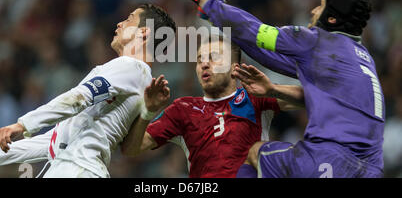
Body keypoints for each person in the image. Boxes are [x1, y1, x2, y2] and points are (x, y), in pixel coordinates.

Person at [175, 0, 384, 178]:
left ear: (331, 19)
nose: (313, 11)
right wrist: (273, 89)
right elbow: (272, 58)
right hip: (370, 170)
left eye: (320, 6)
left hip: (327, 157)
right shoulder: (359, 59)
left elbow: (254, 30)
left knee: (255, 153)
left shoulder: (317, 41)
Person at [0, 4, 176, 178]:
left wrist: (23, 124)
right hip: (73, 167)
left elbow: (78, 98)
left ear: (144, 32)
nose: (120, 23)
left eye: (129, 19)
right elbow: (52, 142)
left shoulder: (131, 67)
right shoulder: (136, 78)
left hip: (78, 169)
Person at [120, 35, 305, 178]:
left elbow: (313, 99)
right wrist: (148, 111)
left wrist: (273, 89)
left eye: (214, 58)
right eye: (200, 60)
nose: (204, 64)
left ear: (235, 68)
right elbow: (131, 149)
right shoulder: (183, 109)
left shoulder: (254, 98)